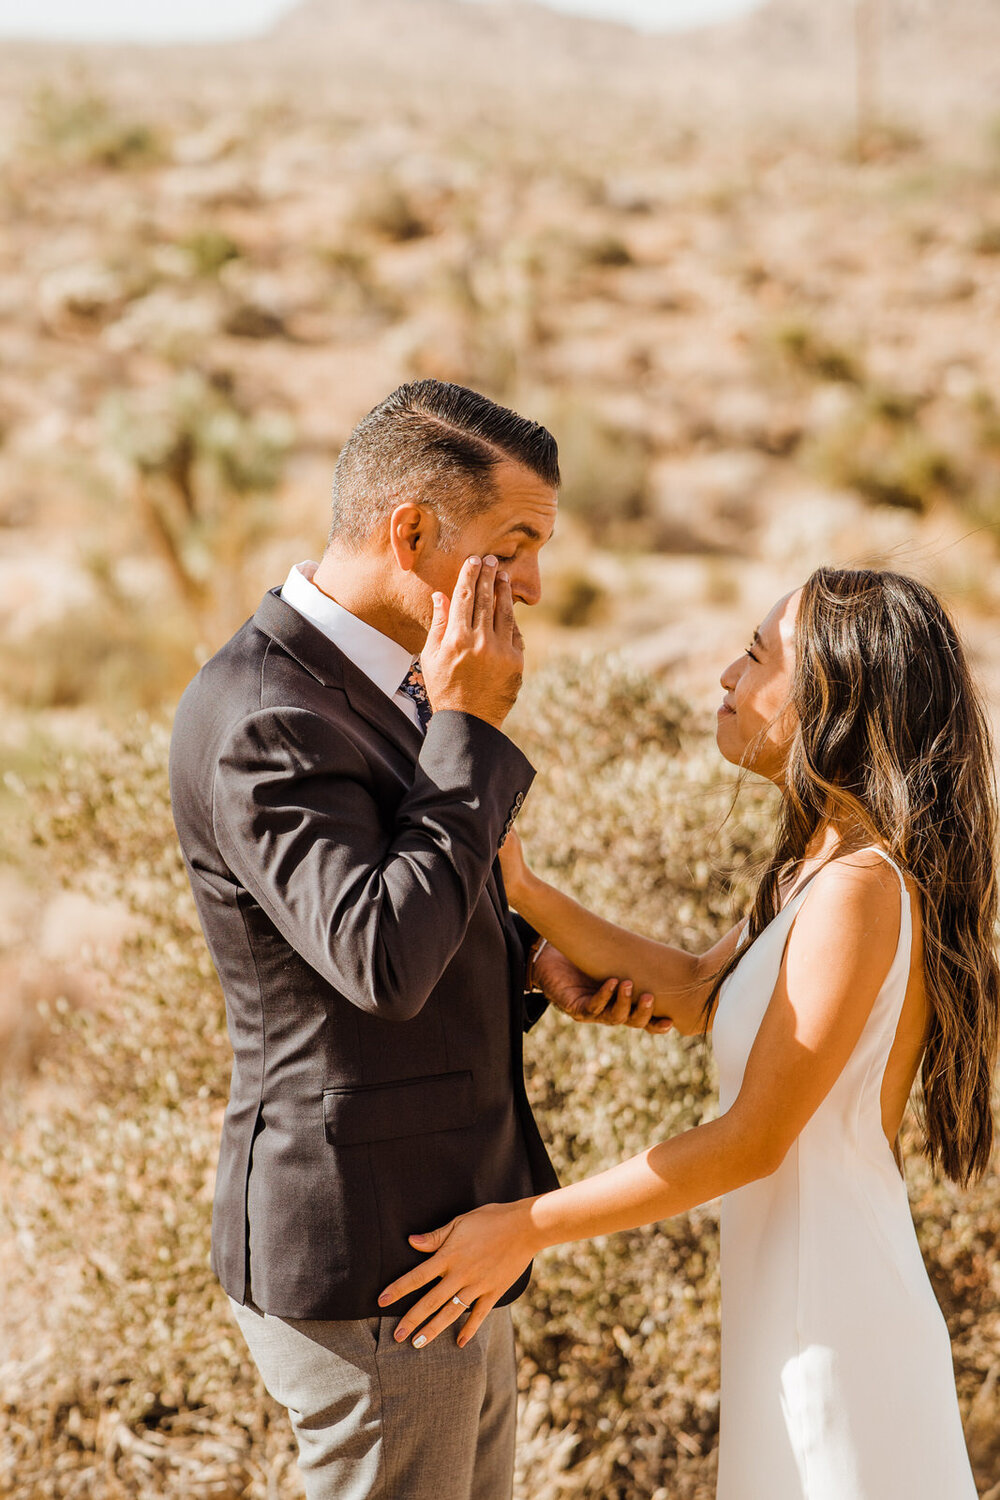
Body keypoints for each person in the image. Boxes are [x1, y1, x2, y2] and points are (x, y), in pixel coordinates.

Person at [380, 566, 998, 1500]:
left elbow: (752, 1141)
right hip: (794, 1297)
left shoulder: (861, 890)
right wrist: (529, 895)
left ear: (835, 691)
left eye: (755, 657)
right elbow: (697, 989)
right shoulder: (819, 871)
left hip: (831, 1310)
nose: (724, 677)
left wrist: (524, 1227)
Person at [169, 379, 664, 1500]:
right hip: (373, 1257)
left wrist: (528, 967)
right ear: (411, 531)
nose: (535, 584)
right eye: (517, 544)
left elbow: (391, 921)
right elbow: (379, 959)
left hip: (448, 1234)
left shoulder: (377, 681)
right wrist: (470, 726)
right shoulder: (268, 713)